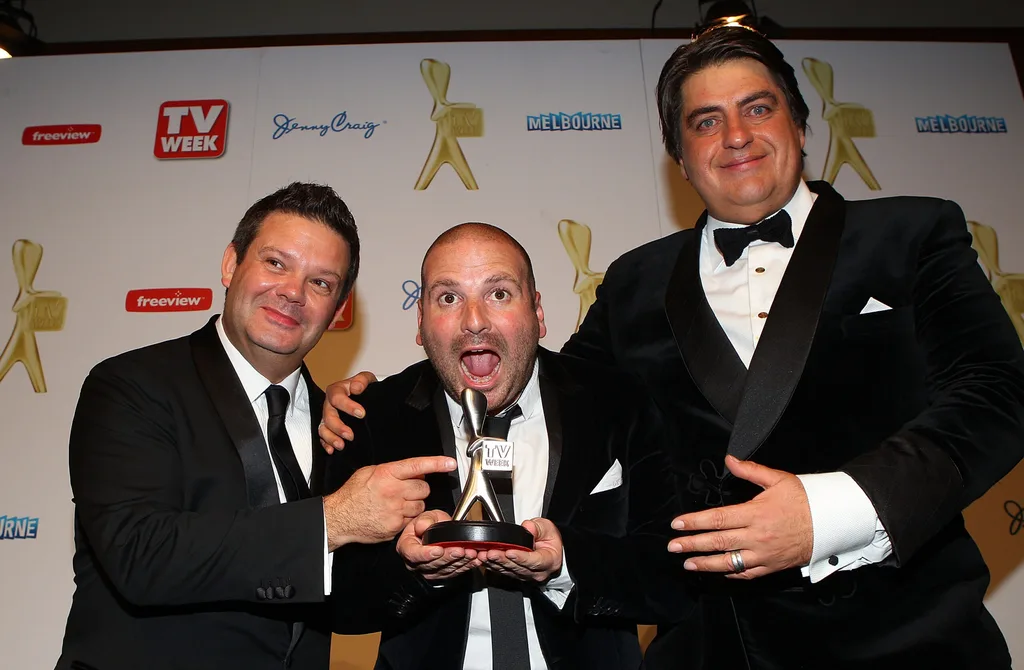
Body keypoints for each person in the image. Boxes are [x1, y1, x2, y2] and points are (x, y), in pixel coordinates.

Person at [321, 27, 1024, 670]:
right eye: (705, 122)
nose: (736, 136)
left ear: (802, 125)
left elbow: (998, 392)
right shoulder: (635, 283)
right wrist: (358, 403)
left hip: (908, 638)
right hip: (710, 649)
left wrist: (830, 511)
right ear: (680, 158)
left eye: (758, 108)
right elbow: (540, 386)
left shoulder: (914, 232)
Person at [56, 182, 456, 670]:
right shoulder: (132, 386)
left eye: (321, 283)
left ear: (338, 310)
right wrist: (331, 521)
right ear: (230, 264)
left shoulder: (341, 425)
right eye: (276, 263)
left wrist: (416, 566)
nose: (292, 292)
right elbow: (140, 555)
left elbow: (349, 603)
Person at [324, 222, 686, 670]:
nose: (474, 321)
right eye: (449, 297)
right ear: (420, 322)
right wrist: (414, 572)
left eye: (499, 294)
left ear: (537, 312)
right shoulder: (369, 417)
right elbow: (337, 602)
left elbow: (672, 577)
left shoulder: (618, 401)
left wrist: (568, 564)